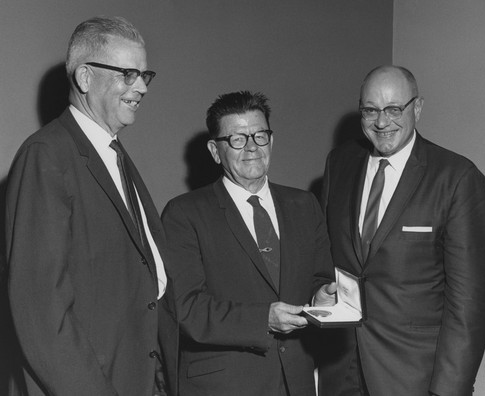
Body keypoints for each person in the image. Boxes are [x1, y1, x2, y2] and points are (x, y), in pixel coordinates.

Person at [5, 16, 178, 396]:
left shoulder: (113, 156)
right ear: (84, 78)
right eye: (128, 73)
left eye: (144, 75)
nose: (141, 88)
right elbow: (41, 312)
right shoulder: (46, 154)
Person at [318, 65, 485, 396]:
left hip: (416, 379)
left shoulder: (456, 178)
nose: (382, 122)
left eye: (394, 109)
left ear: (418, 108)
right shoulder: (339, 163)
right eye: (370, 110)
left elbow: (471, 302)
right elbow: (326, 259)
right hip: (342, 373)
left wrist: (448, 390)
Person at [161, 91, 336, 396]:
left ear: (272, 141)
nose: (252, 147)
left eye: (260, 135)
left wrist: (320, 299)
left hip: (297, 383)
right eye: (238, 139)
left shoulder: (304, 205)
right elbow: (186, 309)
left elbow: (318, 279)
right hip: (223, 386)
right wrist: (262, 320)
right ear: (216, 151)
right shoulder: (184, 213)